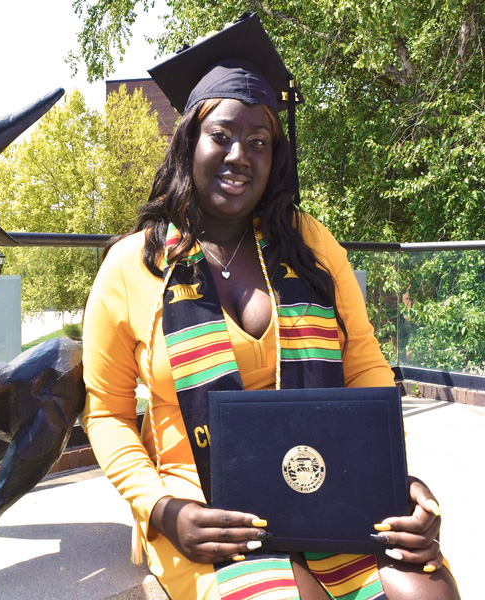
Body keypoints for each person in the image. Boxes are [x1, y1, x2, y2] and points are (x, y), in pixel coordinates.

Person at [81, 13, 459, 600]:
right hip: (206, 510)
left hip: (326, 483)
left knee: (422, 591)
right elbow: (105, 412)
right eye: (222, 135)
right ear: (189, 143)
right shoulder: (134, 267)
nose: (240, 155)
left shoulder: (309, 246)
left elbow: (364, 370)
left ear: (274, 158)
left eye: (258, 142)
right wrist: (163, 511)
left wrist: (388, 477)